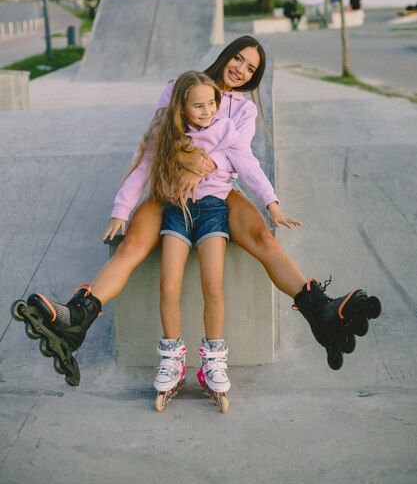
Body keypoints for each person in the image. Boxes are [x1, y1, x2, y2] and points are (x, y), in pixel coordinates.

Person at [11, 35, 381, 386]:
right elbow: (155, 143)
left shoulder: (243, 109)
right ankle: (78, 316)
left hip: (219, 193)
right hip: (167, 188)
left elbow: (240, 158)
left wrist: (213, 168)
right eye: (238, 58)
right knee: (132, 244)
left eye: (251, 68)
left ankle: (320, 311)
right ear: (227, 54)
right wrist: (138, 195)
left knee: (261, 235)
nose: (241, 69)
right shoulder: (179, 86)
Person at [138, 70, 283, 411]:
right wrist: (120, 210)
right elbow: (141, 170)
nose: (206, 111)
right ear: (182, 107)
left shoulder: (226, 131)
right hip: (176, 210)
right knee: (168, 286)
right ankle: (173, 358)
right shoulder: (168, 135)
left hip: (214, 211)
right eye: (198, 106)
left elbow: (249, 166)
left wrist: (271, 202)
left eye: (212, 104)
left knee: (213, 286)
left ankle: (213, 360)